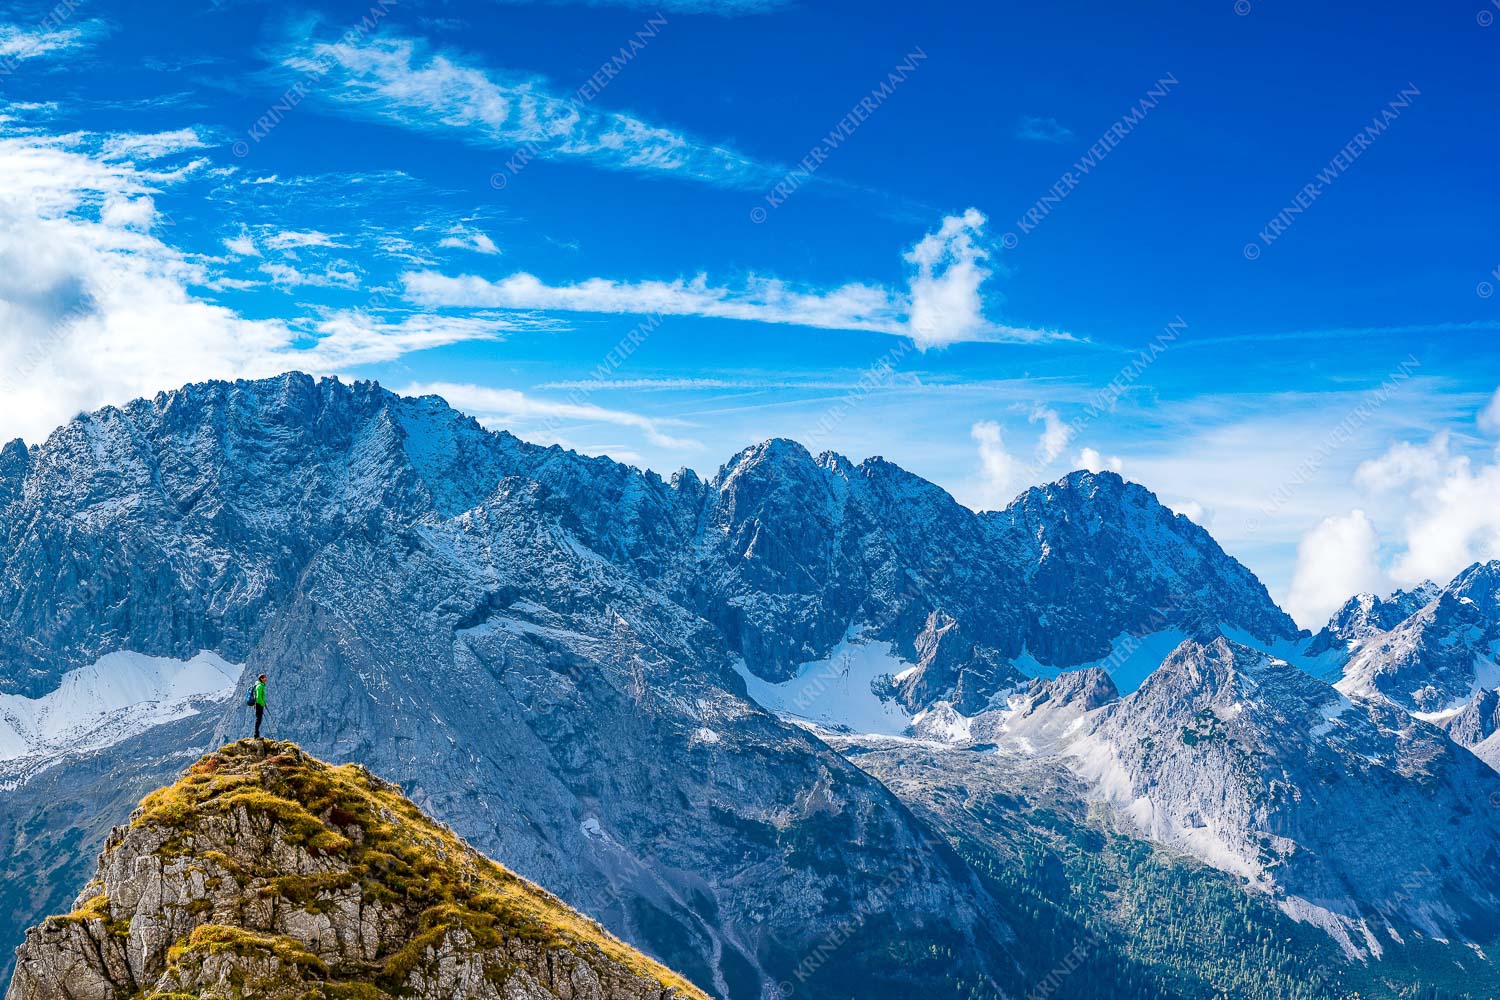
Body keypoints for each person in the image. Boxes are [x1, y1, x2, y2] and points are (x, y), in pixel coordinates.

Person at [253, 674, 267, 738]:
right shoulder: (260, 686)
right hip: (259, 705)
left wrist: (263, 703)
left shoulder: (261, 686)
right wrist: (262, 703)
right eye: (264, 678)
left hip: (259, 704)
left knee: (259, 719)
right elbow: (258, 697)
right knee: (258, 719)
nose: (266, 679)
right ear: (261, 679)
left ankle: (257, 734)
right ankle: (256, 735)